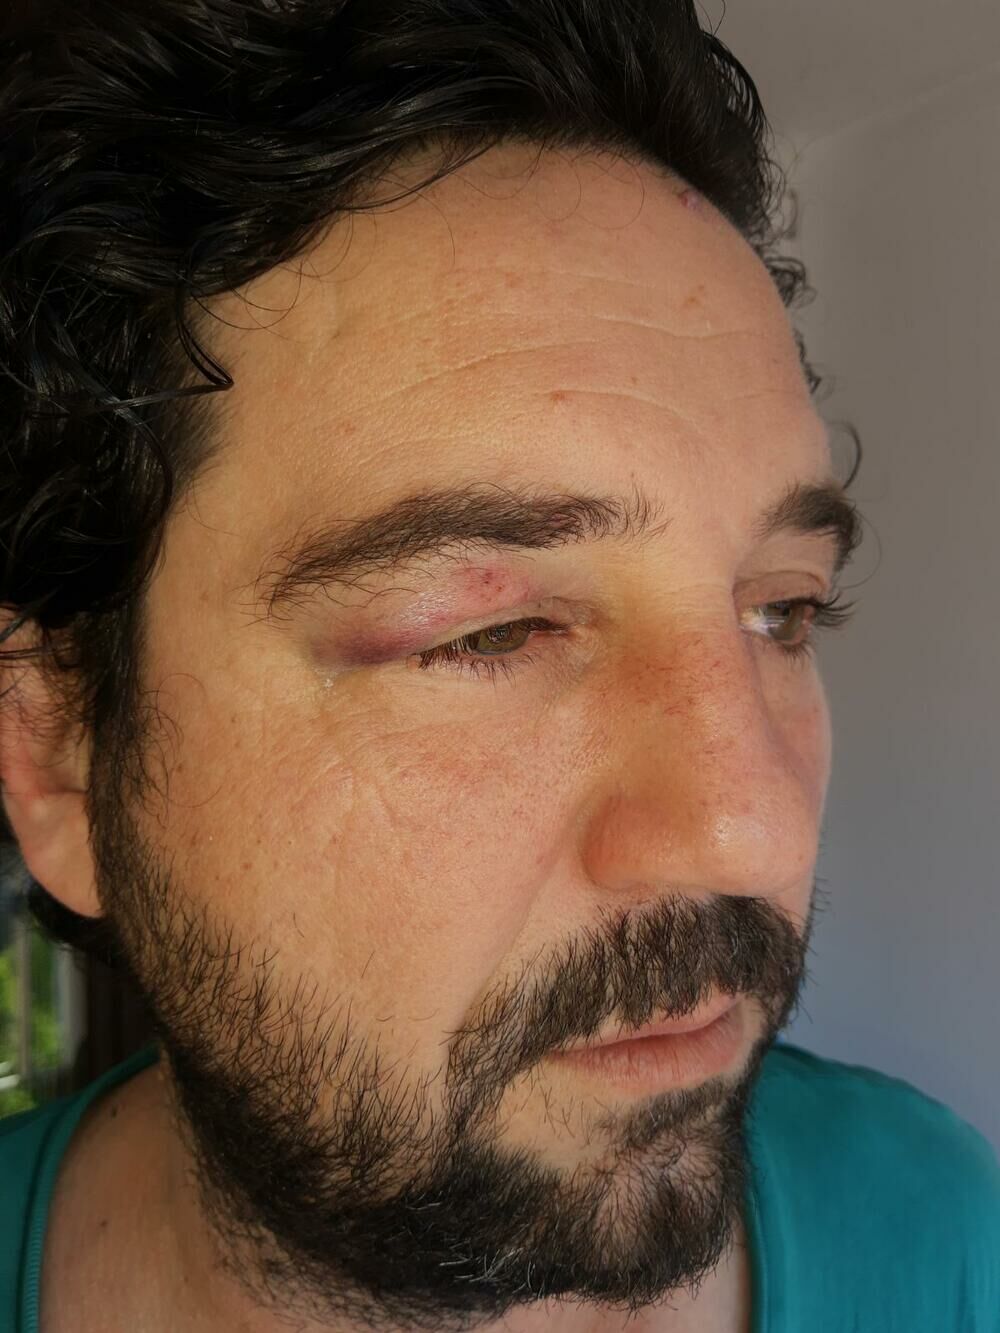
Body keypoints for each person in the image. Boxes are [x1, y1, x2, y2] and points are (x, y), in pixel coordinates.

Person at [1, 1, 998, 1331]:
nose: (750, 829)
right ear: (60, 751)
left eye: (781, 611)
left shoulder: (940, 1226)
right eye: (489, 633)